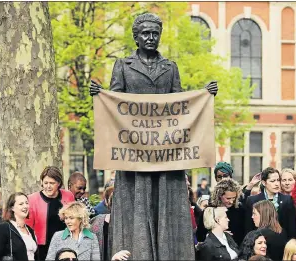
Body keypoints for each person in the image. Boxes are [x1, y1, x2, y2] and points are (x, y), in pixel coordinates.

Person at [89, 12, 217, 260]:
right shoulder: (123, 66)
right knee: (138, 201)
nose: (151, 37)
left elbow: (181, 106)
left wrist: (204, 95)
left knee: (166, 203)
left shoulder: (170, 67)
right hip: (134, 156)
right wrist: (100, 95)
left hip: (166, 155)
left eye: (155, 33)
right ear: (136, 38)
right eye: (145, 34)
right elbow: (115, 104)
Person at [26, 166, 75, 260]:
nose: (48, 186)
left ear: (59, 183)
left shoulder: (68, 196)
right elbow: (28, 228)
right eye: (45, 183)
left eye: (52, 183)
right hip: (42, 248)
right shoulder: (32, 199)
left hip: (65, 245)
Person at [245, 167, 296, 240]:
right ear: (264, 182)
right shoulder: (252, 200)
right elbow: (248, 227)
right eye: (272, 181)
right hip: (258, 243)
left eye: (278, 180)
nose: (276, 184)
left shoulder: (287, 200)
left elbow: (291, 227)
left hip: (281, 243)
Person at [0, 192, 38, 261]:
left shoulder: (30, 230)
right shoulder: (4, 228)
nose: (25, 206)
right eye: (21, 204)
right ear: (12, 208)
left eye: (26, 203)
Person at [196, 179, 245, 245]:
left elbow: (244, 232)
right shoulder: (209, 211)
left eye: (234, 198)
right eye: (228, 198)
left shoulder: (240, 209)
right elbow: (200, 236)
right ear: (219, 196)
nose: (231, 201)